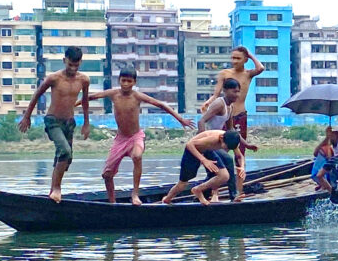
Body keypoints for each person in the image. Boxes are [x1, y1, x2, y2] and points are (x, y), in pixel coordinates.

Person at [80, 66, 195, 206]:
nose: (126, 84)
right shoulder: (113, 94)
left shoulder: (137, 96)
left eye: (129, 81)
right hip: (120, 139)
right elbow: (90, 97)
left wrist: (180, 119)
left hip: (136, 136)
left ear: (134, 82)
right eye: (123, 81)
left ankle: (135, 194)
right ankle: (112, 202)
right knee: (107, 175)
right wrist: (73, 104)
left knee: (137, 155)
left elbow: (160, 104)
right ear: (119, 80)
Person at [18, 46, 90, 203]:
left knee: (66, 159)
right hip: (53, 121)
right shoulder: (54, 78)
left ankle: (53, 190)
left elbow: (84, 101)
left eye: (76, 65)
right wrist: (27, 117)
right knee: (64, 151)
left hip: (69, 123)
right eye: (70, 64)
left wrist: (86, 123)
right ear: (64, 61)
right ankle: (56, 189)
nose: (72, 68)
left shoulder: (84, 80)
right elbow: (37, 94)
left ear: (80, 63)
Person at [199, 46, 264, 155]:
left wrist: (250, 55)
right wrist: (208, 102)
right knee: (223, 146)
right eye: (233, 58)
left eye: (238, 58)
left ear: (245, 60)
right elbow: (216, 94)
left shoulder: (248, 74)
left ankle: (240, 170)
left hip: (240, 114)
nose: (235, 61)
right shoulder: (225, 73)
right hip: (225, 114)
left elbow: (260, 68)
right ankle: (221, 168)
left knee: (240, 148)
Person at [162, 129, 245, 206]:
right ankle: (167, 199)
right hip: (192, 151)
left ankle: (198, 189)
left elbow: (239, 156)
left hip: (208, 151)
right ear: (221, 138)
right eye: (225, 147)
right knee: (183, 183)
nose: (226, 149)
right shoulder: (213, 138)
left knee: (224, 176)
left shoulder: (233, 140)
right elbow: (189, 144)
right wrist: (204, 160)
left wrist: (242, 167)